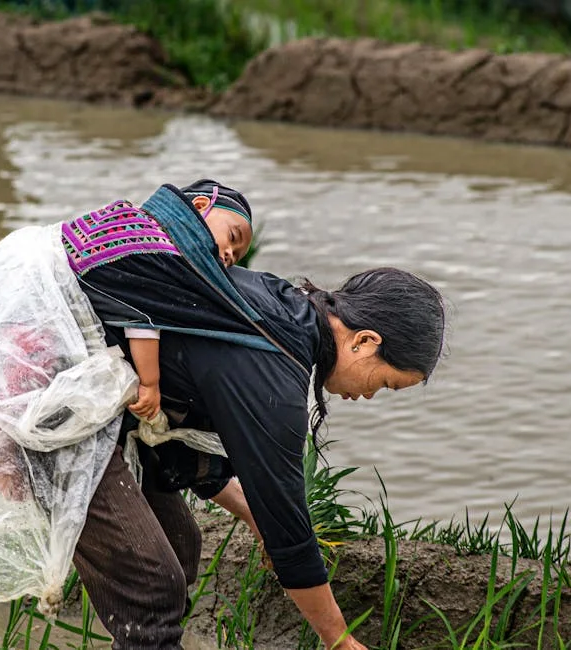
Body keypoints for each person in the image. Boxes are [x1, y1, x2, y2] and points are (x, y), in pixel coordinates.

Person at [63, 183, 446, 649]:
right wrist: (339, 639)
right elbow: (288, 529)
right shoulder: (275, 372)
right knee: (153, 583)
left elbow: (178, 433)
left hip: (101, 411)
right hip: (52, 407)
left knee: (181, 546)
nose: (369, 395)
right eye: (385, 383)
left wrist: (251, 512)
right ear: (365, 342)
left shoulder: (275, 304)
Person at [120, 179, 253, 422]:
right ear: (200, 206)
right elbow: (142, 317)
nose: (229, 254)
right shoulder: (159, 250)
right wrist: (150, 384)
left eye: (235, 257)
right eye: (233, 237)